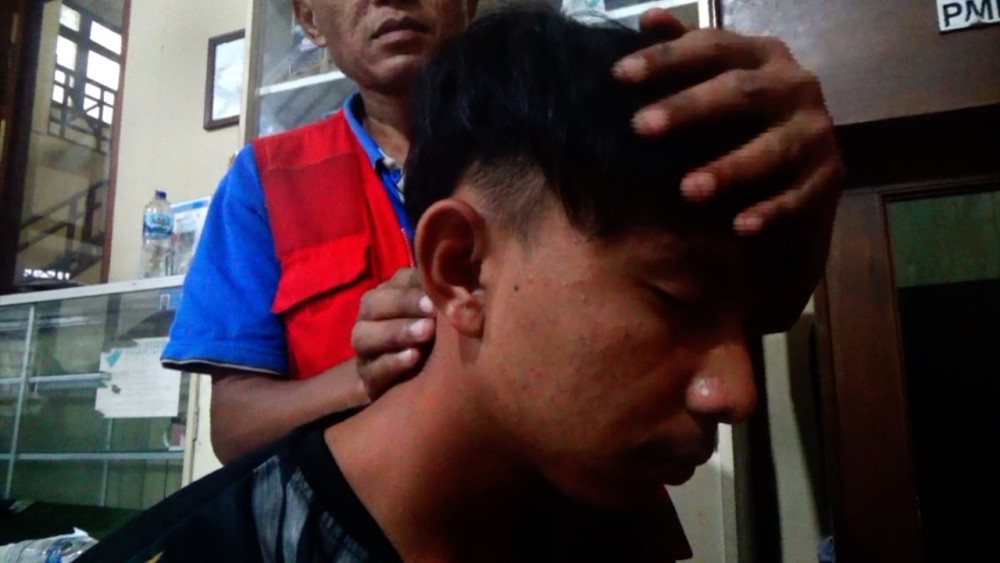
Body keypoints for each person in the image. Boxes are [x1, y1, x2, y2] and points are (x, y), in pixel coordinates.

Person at [82, 9, 836, 562]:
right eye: (671, 295)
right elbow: (235, 424)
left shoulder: (602, 118)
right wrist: (384, 373)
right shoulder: (266, 181)